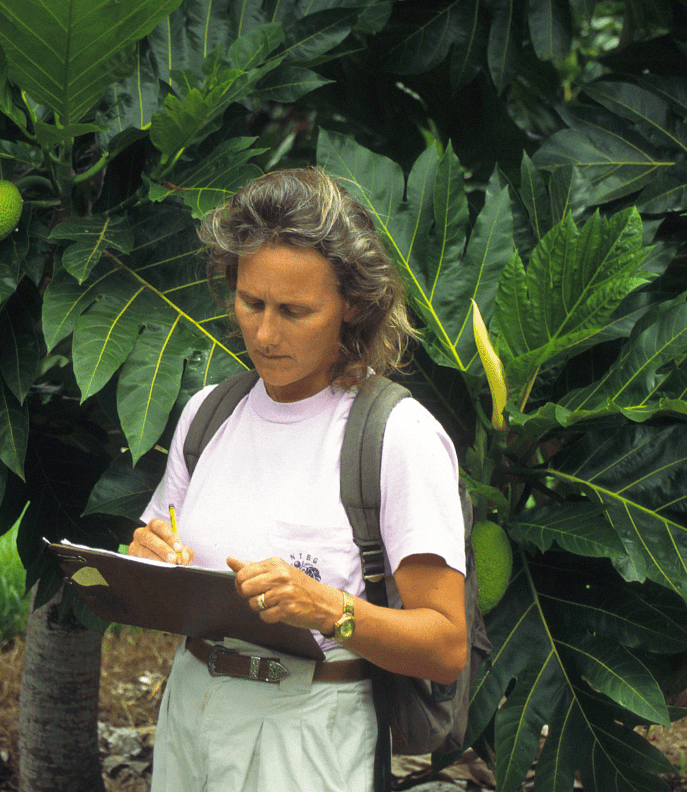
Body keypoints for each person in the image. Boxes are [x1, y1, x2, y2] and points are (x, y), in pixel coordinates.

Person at [127, 167, 468, 792]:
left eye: (294, 311)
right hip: (191, 708)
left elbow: (445, 647)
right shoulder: (208, 414)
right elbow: (159, 551)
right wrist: (146, 559)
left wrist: (329, 609)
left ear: (352, 305)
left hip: (310, 730)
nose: (264, 333)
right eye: (251, 302)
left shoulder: (398, 436)